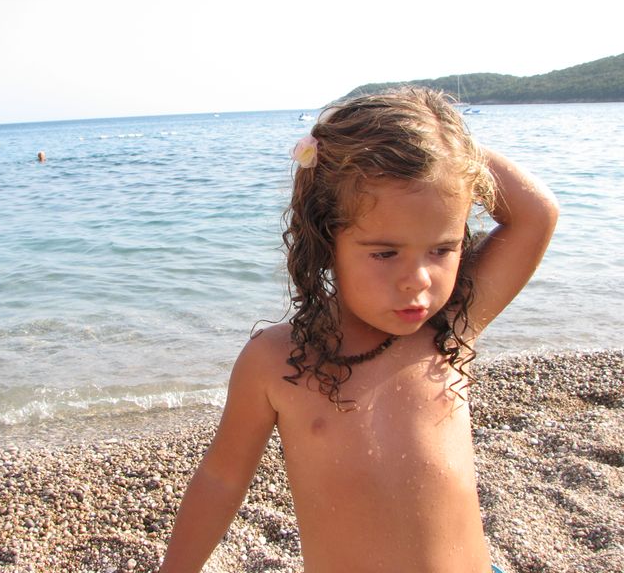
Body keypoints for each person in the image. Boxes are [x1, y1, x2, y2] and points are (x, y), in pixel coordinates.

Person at [159, 88, 558, 573]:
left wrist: (443, 147)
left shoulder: (450, 328)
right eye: (385, 253)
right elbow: (221, 480)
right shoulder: (276, 361)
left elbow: (536, 215)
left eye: (441, 249)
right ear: (327, 239)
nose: (418, 279)